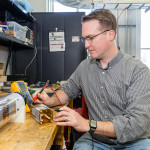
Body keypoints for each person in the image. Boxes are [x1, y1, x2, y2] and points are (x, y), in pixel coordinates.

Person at [33, 9, 150, 150]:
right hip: (97, 139)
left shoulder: (138, 70)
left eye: (91, 38)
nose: (86, 45)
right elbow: (67, 91)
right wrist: (49, 101)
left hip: (133, 141)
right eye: (84, 39)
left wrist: (87, 124)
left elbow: (137, 124)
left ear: (110, 35)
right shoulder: (84, 67)